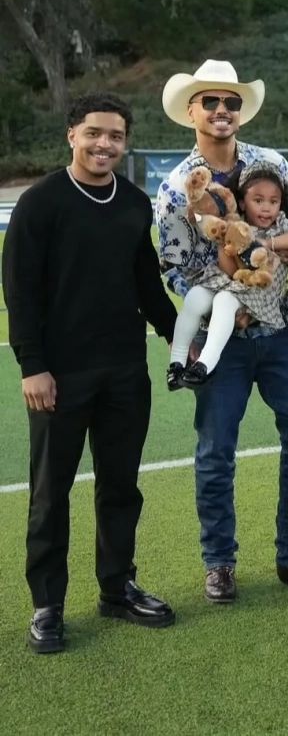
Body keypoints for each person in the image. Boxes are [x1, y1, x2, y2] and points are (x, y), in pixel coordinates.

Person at [156, 59, 288, 603]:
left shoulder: (273, 166)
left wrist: (265, 256)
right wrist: (225, 299)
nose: (222, 110)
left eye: (231, 101)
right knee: (216, 450)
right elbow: (172, 266)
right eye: (211, 101)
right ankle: (219, 563)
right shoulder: (176, 186)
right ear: (191, 110)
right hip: (223, 340)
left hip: (281, 324)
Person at [3, 93, 178, 654]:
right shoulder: (40, 203)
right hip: (59, 375)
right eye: (94, 133)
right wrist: (33, 366)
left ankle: (116, 588)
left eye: (115, 136)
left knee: (120, 487)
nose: (105, 144)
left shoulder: (133, 202)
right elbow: (20, 292)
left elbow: (146, 281)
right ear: (71, 135)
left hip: (125, 370)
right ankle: (47, 604)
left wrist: (178, 334)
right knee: (50, 493)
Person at [167, 161, 288, 389]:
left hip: (259, 291)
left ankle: (205, 365)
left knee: (224, 300)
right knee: (195, 297)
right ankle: (176, 363)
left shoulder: (280, 224)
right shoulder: (236, 225)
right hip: (232, 280)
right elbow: (231, 272)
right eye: (258, 201)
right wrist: (223, 241)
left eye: (273, 202)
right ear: (243, 202)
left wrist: (267, 243)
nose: (266, 208)